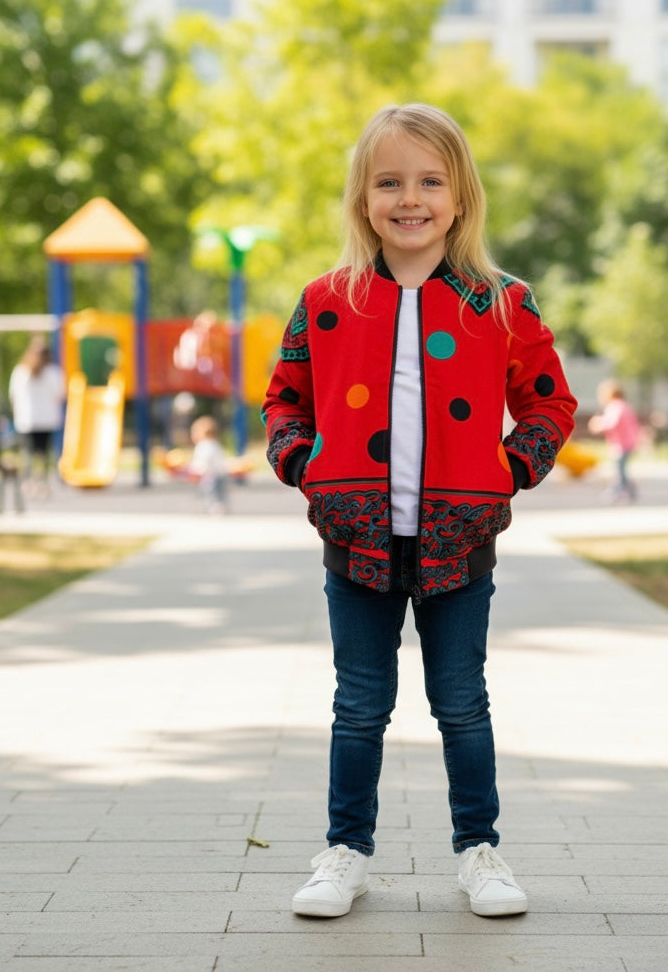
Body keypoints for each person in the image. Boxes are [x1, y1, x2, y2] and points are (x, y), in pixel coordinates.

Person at [262, 103, 576, 920]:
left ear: (461, 195)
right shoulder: (328, 301)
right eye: (390, 182)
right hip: (355, 542)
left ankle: (480, 852)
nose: (411, 198)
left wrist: (506, 472)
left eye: (431, 181)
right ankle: (345, 854)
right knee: (357, 705)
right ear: (363, 198)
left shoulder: (502, 302)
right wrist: (307, 468)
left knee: (462, 703)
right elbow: (284, 400)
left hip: (459, 546)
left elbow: (549, 405)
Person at [8, 336, 66, 496]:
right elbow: (60, 394)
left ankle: (27, 481)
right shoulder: (53, 373)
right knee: (44, 452)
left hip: (26, 420)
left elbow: (13, 395)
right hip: (47, 419)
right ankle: (43, 482)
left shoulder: (20, 372)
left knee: (28, 452)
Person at [588, 379, 641, 502]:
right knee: (621, 468)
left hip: (622, 444)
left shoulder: (616, 405)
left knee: (619, 468)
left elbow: (612, 423)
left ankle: (618, 490)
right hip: (625, 442)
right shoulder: (624, 405)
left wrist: (597, 423)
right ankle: (629, 490)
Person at [188, 414, 229, 514]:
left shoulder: (203, 445)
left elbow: (203, 461)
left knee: (210, 491)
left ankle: (215, 506)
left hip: (210, 475)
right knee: (220, 492)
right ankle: (220, 504)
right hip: (220, 474)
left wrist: (195, 470)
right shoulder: (216, 444)